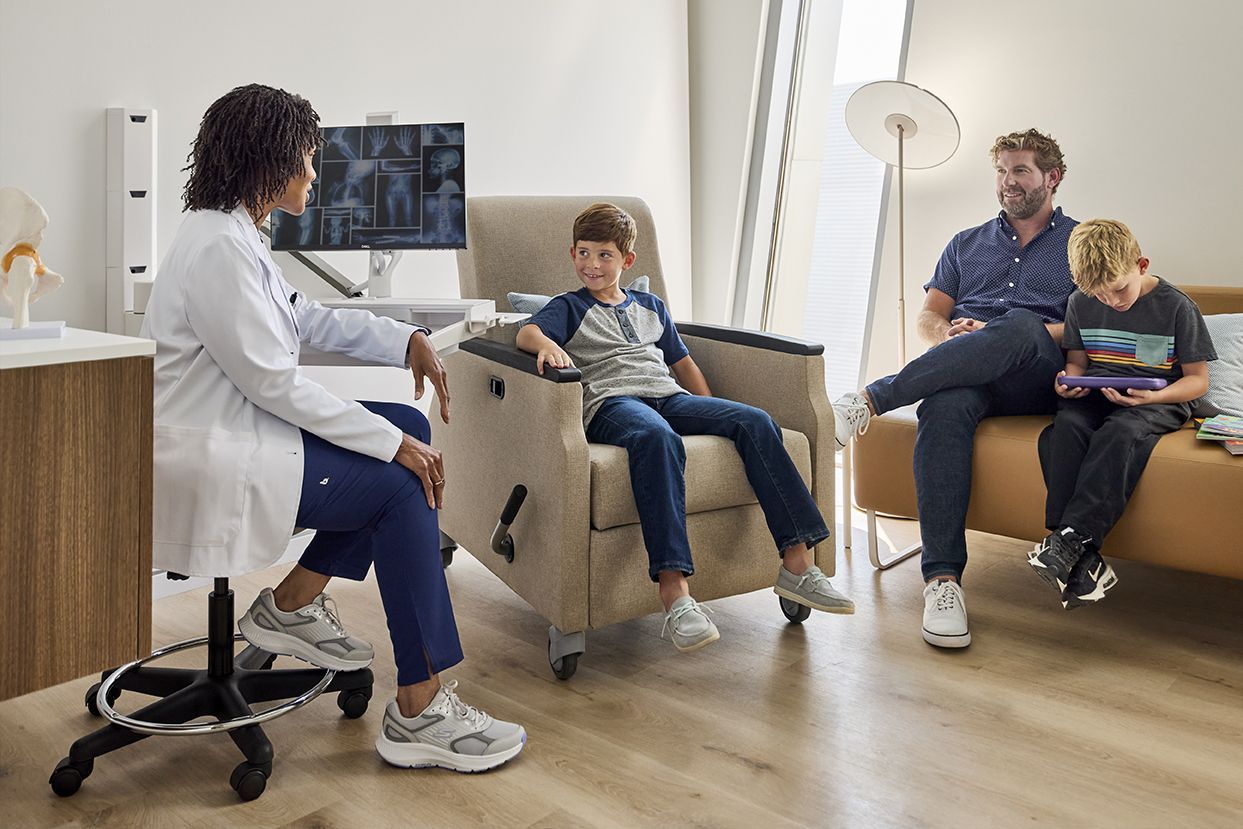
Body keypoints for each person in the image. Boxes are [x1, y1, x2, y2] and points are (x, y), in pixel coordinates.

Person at [142, 84, 525, 772]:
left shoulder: (233, 233)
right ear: (269, 161)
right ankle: (420, 704)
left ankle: (292, 604)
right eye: (307, 161)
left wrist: (405, 338)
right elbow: (274, 382)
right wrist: (390, 447)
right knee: (401, 481)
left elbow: (306, 317)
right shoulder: (220, 251)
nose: (314, 176)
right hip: (222, 458)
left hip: (242, 434)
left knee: (407, 422)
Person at [515, 203, 853, 653]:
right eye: (583, 253)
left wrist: (713, 411)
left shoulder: (651, 307)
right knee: (656, 437)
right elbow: (527, 334)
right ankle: (675, 595)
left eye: (604, 256)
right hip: (613, 404)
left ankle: (797, 564)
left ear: (627, 261)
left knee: (754, 421)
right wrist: (547, 348)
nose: (591, 265)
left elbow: (683, 363)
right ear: (572, 254)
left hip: (670, 396)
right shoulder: (569, 307)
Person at [831, 128, 1078, 649]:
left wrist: (1001, 331)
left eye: (1021, 171)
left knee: (1017, 325)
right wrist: (949, 335)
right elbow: (929, 317)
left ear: (1051, 178)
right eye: (1002, 171)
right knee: (943, 406)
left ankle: (870, 400)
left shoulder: (1080, 245)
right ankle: (942, 582)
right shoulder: (965, 243)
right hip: (969, 373)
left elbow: (1089, 326)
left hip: (1036, 376)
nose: (1008, 182)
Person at [1031, 219, 1215, 608]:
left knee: (1120, 433)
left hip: (1160, 398)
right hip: (1100, 391)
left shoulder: (1177, 306)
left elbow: (1197, 381)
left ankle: (1070, 539)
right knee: (1063, 427)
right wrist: (1069, 380)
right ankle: (1078, 557)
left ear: (1142, 264)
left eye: (1117, 289)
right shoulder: (1081, 302)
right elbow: (1078, 362)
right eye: (1099, 295)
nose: (1111, 302)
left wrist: (1151, 398)